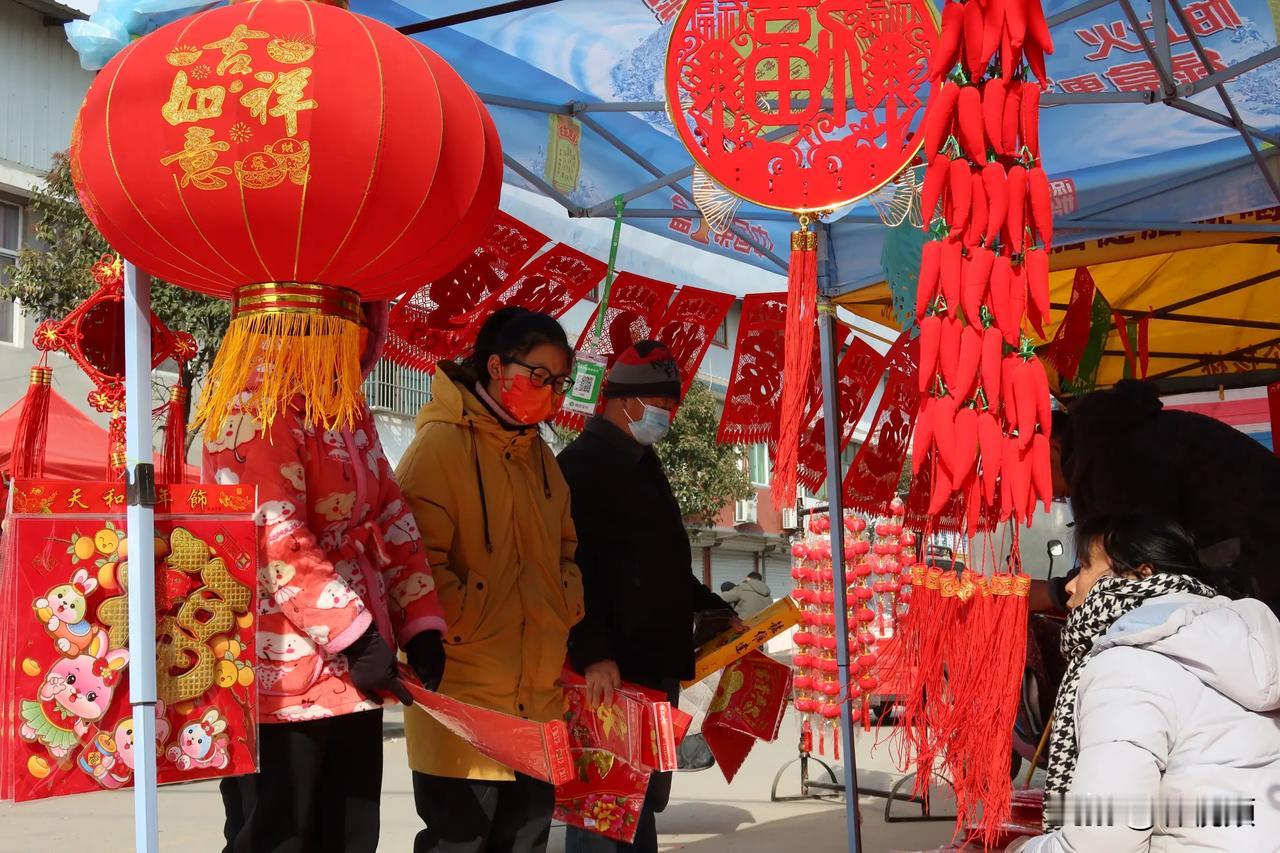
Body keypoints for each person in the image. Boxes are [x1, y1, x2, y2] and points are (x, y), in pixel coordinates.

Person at [209, 301, 447, 853]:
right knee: (280, 833)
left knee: (349, 832)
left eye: (366, 318)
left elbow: (390, 512)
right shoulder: (255, 404)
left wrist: (419, 622)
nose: (362, 332)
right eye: (350, 316)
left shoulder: (345, 408)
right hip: (279, 671)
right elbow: (274, 534)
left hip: (353, 668)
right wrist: (357, 634)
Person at [395, 306, 584, 853]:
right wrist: (466, 617)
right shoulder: (439, 448)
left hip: (539, 701)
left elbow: (566, 550)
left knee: (526, 841)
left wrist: (565, 602)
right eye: (538, 376)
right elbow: (413, 562)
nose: (549, 393)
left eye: (559, 382)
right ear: (496, 367)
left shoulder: (542, 458)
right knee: (462, 841)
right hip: (464, 698)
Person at [557, 340, 737, 853]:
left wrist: (710, 608)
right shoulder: (580, 467)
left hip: (650, 670)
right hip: (608, 673)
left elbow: (662, 565)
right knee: (604, 808)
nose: (667, 417)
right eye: (661, 407)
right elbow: (570, 568)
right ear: (624, 401)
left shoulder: (644, 462)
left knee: (639, 806)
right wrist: (592, 651)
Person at [1007, 515, 1280, 852]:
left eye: (1084, 568)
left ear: (1141, 574)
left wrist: (1020, 849)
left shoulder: (1130, 663)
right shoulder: (1240, 643)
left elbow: (1103, 840)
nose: (1070, 586)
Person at [1050, 379, 1280, 608]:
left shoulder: (1118, 454)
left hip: (1260, 563)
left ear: (1052, 447)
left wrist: (1056, 593)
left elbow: (1132, 563)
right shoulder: (1117, 437)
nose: (1048, 496)